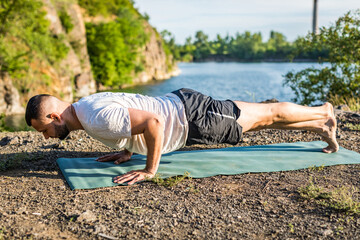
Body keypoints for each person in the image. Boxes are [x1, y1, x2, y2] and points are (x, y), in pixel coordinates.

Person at [25, 88, 339, 185]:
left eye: (45, 130)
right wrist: (125, 150)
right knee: (260, 123)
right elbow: (128, 116)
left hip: (193, 117)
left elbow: (153, 122)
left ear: (54, 117)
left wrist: (150, 169)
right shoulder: (86, 107)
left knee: (266, 115)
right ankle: (321, 125)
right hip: (186, 108)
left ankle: (322, 111)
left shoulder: (93, 117)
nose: (48, 137)